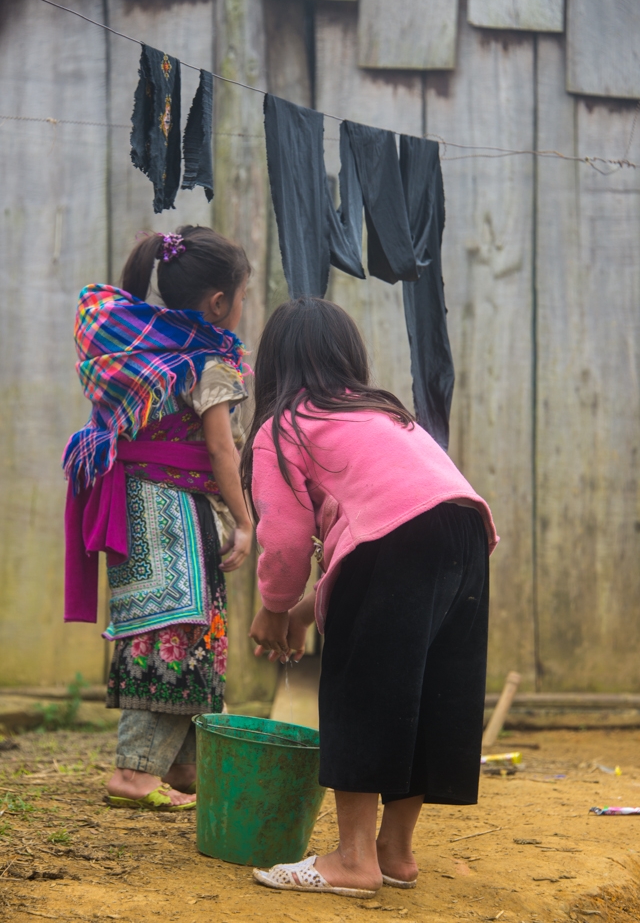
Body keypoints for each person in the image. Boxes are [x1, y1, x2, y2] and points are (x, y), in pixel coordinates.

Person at [244, 298, 498, 899]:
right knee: (422, 690)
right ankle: (395, 852)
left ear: (271, 365)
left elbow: (283, 541)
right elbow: (370, 529)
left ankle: (352, 859)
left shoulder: (283, 427)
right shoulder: (385, 415)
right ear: (349, 358)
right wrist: (306, 615)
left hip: (399, 543)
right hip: (465, 533)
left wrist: (274, 607)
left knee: (360, 692)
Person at [63, 226, 253, 810]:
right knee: (176, 631)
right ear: (218, 303)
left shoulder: (142, 349)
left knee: (165, 625)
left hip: (135, 505)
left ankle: (183, 768)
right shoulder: (208, 359)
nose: (242, 309)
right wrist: (246, 522)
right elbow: (222, 449)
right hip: (175, 511)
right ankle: (135, 774)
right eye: (241, 296)